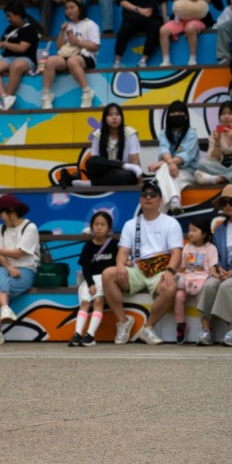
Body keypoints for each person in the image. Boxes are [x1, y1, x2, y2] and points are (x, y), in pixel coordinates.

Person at [102, 181, 183, 345]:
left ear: (160, 199)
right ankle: (123, 322)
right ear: (140, 199)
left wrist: (170, 271)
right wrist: (120, 265)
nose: (148, 197)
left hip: (161, 269)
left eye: (153, 195)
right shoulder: (131, 224)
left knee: (169, 286)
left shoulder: (170, 222)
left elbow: (176, 253)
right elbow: (123, 251)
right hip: (138, 268)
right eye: (144, 194)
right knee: (108, 274)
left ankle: (148, 327)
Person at [0, 195, 40, 345]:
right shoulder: (1, 228)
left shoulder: (30, 227)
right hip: (6, 269)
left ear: (10, 211)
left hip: (26, 270)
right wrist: (9, 267)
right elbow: (0, 254)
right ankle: (5, 309)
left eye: (1, 212)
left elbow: (18, 253)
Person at [196, 185, 232, 346]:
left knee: (227, 287)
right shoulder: (219, 230)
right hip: (226, 273)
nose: (228, 206)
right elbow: (216, 256)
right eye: (224, 203)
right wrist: (219, 269)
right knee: (210, 285)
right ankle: (206, 330)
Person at [70, 211, 118, 347]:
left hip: (106, 280)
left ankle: (90, 335)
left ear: (108, 227)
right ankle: (77, 334)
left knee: (98, 300)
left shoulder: (114, 244)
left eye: (103, 224)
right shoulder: (88, 246)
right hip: (91, 279)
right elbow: (86, 268)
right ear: (92, 226)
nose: (99, 227)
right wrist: (90, 284)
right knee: (85, 302)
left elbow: (120, 261)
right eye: (96, 224)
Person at [41, 0, 100, 109]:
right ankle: (46, 95)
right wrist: (62, 32)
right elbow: (59, 47)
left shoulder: (90, 24)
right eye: (67, 8)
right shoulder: (67, 26)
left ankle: (87, 92)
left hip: (86, 57)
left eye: (72, 8)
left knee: (72, 61)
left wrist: (78, 42)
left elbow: (95, 47)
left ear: (80, 9)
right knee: (49, 61)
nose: (69, 11)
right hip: (67, 56)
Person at [159, 0, 222, 67]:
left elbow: (209, 0)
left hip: (197, 19)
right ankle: (166, 61)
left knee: (190, 28)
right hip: (180, 20)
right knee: (163, 30)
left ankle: (192, 59)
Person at [0, 1, 40, 111]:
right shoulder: (9, 29)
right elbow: (2, 44)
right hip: (8, 58)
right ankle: (4, 98)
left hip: (26, 59)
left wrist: (4, 43)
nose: (8, 19)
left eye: (9, 16)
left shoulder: (30, 29)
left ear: (18, 14)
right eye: (7, 16)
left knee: (15, 66)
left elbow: (21, 48)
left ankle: (8, 97)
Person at [147, 100, 198, 215]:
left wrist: (164, 163)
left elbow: (185, 156)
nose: (176, 116)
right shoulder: (164, 133)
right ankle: (175, 201)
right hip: (172, 172)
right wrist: (169, 163)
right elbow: (164, 150)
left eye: (179, 113)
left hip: (189, 172)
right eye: (173, 114)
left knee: (162, 176)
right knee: (165, 174)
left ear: (185, 116)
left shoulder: (191, 134)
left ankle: (159, 215)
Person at [175, 216, 217, 344]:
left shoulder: (210, 248)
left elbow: (213, 267)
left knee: (202, 297)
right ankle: (181, 325)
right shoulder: (187, 247)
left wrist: (214, 273)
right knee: (178, 296)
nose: (190, 233)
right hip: (188, 280)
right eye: (189, 230)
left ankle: (206, 327)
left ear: (204, 233)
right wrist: (176, 273)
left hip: (202, 281)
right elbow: (183, 266)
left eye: (194, 230)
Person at [84, 103, 143, 186]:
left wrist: (140, 181)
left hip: (124, 173)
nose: (114, 117)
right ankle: (123, 165)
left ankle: (93, 183)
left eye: (117, 114)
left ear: (121, 117)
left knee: (123, 176)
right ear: (105, 118)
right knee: (90, 162)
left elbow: (134, 159)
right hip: (105, 172)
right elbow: (95, 160)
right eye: (110, 115)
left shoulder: (130, 133)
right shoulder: (98, 135)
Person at [194, 101, 232, 185]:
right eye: (223, 114)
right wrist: (217, 143)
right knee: (201, 163)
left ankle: (220, 179)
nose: (226, 117)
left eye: (230, 113)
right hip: (218, 167)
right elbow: (214, 158)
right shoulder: (215, 132)